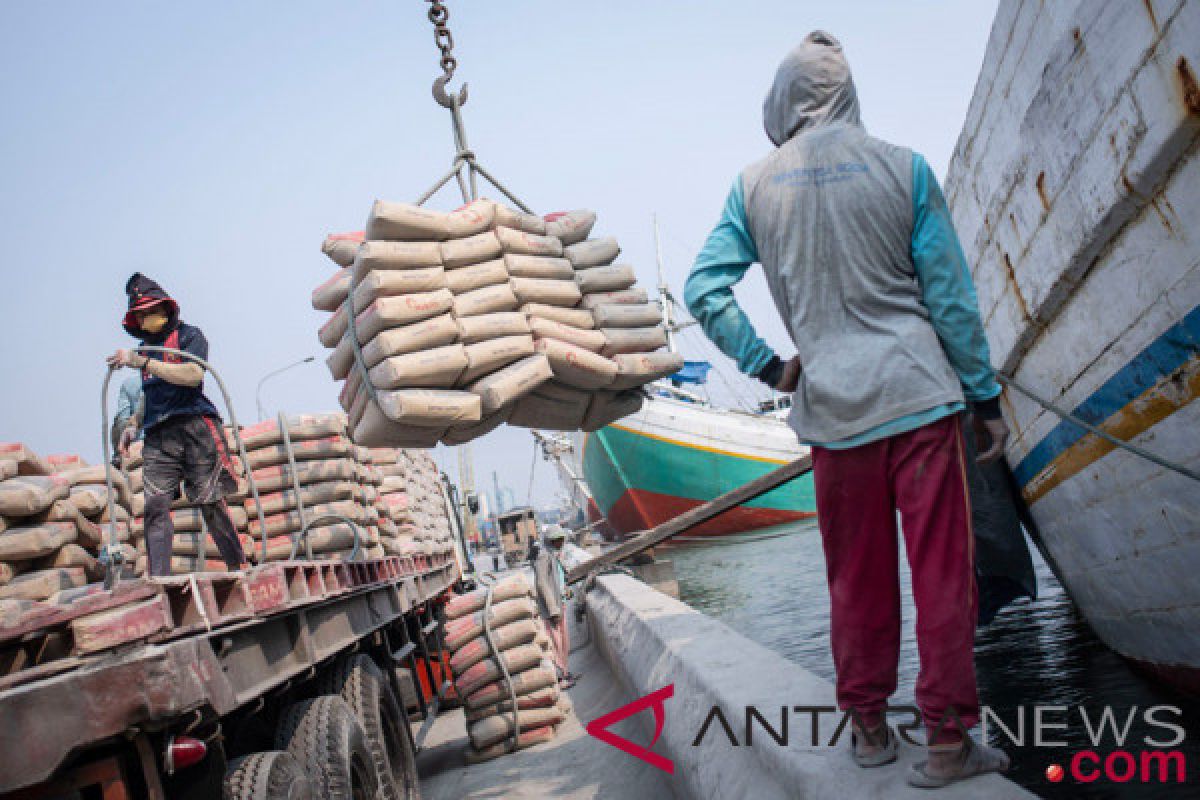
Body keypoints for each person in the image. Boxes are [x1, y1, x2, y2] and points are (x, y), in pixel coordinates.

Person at [683, 32, 1010, 788]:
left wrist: (768, 364)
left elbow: (704, 288)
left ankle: (868, 729)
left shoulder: (753, 187)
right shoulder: (906, 169)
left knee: (854, 580)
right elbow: (952, 301)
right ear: (847, 93)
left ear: (783, 101)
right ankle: (948, 743)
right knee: (941, 577)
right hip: (919, 400)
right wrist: (985, 397)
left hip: (831, 412)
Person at [106, 273, 248, 577]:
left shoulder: (189, 337)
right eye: (141, 316)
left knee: (210, 501)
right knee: (155, 506)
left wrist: (143, 363)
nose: (147, 320)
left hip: (195, 426)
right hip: (159, 435)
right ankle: (159, 578)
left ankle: (237, 564)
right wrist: (132, 425)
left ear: (166, 310)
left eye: (151, 313)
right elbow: (150, 394)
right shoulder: (144, 349)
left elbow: (193, 376)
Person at [533, 525, 576, 688]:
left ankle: (564, 672)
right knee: (556, 643)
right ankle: (559, 677)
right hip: (553, 609)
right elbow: (542, 583)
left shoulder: (555, 555)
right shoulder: (543, 556)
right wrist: (552, 608)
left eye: (561, 539)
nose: (560, 542)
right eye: (556, 540)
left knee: (564, 642)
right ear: (550, 541)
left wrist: (566, 591)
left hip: (560, 604)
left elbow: (558, 579)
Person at [111, 373, 144, 463]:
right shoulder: (172, 377)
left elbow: (122, 419)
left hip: (134, 447)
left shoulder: (129, 384)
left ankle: (118, 457)